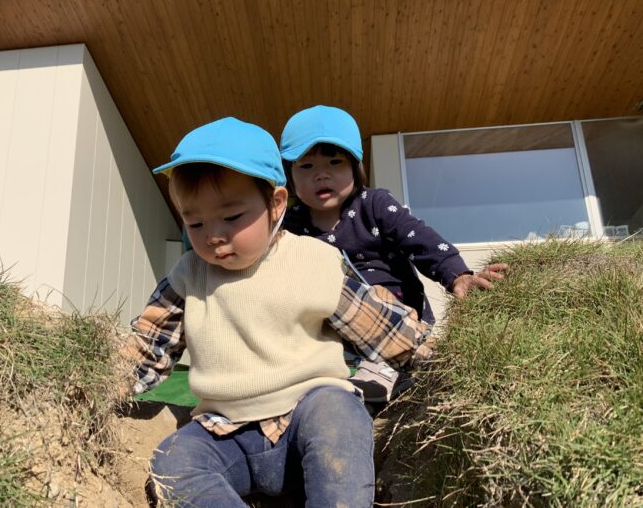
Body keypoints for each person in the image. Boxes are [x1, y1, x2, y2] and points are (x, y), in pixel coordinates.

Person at [121, 116, 434, 507]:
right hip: (224, 430)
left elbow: (380, 327)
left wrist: (434, 361)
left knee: (340, 417)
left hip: (307, 411)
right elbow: (148, 348)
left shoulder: (311, 261)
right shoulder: (188, 276)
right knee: (172, 462)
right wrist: (106, 383)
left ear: (275, 204)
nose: (213, 235)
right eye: (194, 222)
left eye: (231, 217)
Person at [280, 105, 507, 402]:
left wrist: (457, 274)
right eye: (307, 166)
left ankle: (393, 364)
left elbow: (417, 236)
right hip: (334, 333)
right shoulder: (290, 227)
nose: (322, 175)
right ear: (289, 176)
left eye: (335, 162)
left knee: (365, 292)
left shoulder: (373, 204)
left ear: (355, 168)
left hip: (398, 319)